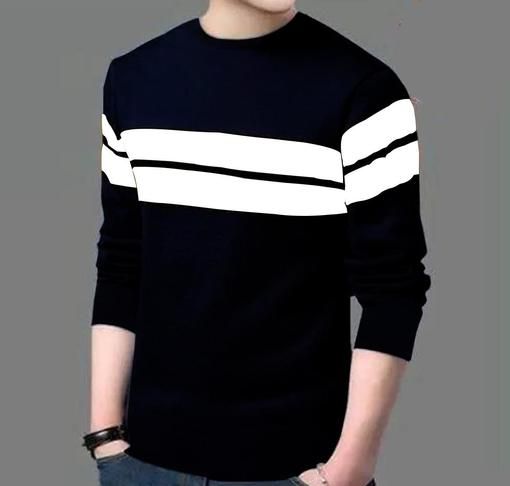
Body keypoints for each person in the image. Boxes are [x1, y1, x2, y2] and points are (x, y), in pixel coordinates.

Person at [83, 1, 432, 486]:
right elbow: (122, 263)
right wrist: (106, 439)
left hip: (297, 469)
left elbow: (393, 291)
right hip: (144, 464)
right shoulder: (133, 80)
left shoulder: (365, 92)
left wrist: (348, 470)